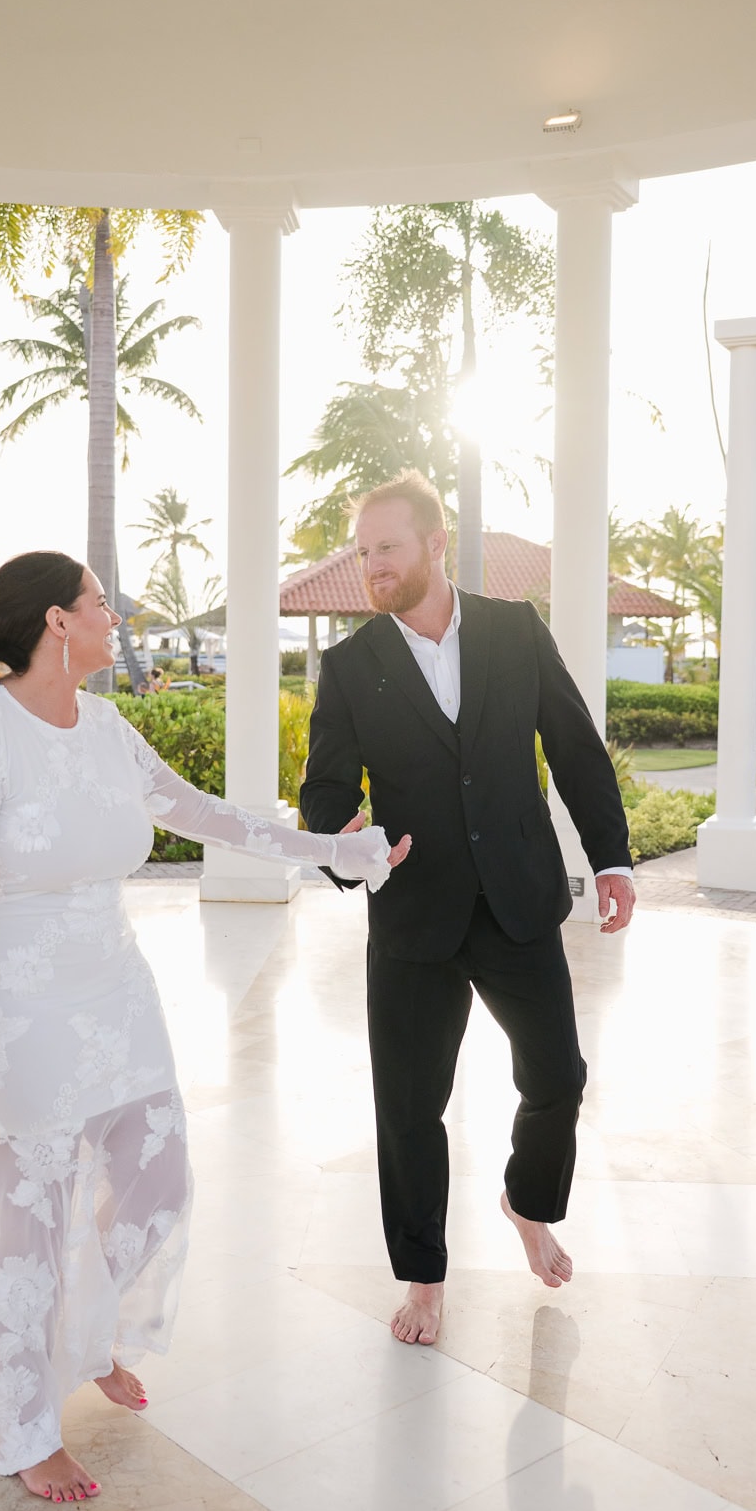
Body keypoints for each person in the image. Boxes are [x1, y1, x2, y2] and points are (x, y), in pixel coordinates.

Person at [0, 550, 407, 1501]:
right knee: (27, 1222)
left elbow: (202, 813)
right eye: (99, 603)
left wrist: (334, 849)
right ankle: (21, 1426)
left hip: (116, 990)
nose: (112, 618)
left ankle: (89, 1337)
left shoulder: (105, 725)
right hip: (22, 1008)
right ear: (57, 621)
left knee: (158, 1178)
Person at [301, 473, 634, 1347]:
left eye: (387, 548)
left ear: (434, 543)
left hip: (517, 898)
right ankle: (422, 1277)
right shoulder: (346, 667)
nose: (371, 566)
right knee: (410, 1109)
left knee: (557, 1077)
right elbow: (325, 788)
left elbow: (573, 748)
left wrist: (611, 857)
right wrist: (347, 841)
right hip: (411, 912)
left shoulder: (513, 631)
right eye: (363, 550)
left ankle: (528, 1204)